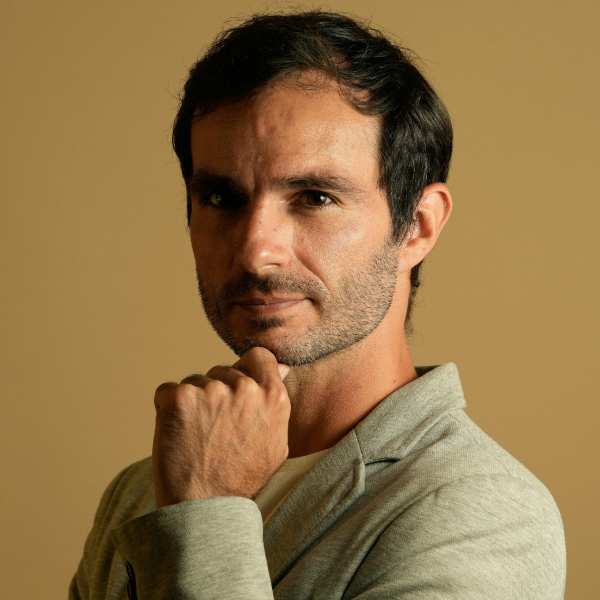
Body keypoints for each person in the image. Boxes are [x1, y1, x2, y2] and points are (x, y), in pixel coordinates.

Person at [69, 10, 566, 599]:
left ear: (417, 226)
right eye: (222, 198)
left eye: (314, 197)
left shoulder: (484, 513)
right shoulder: (142, 494)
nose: (256, 252)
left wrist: (205, 513)